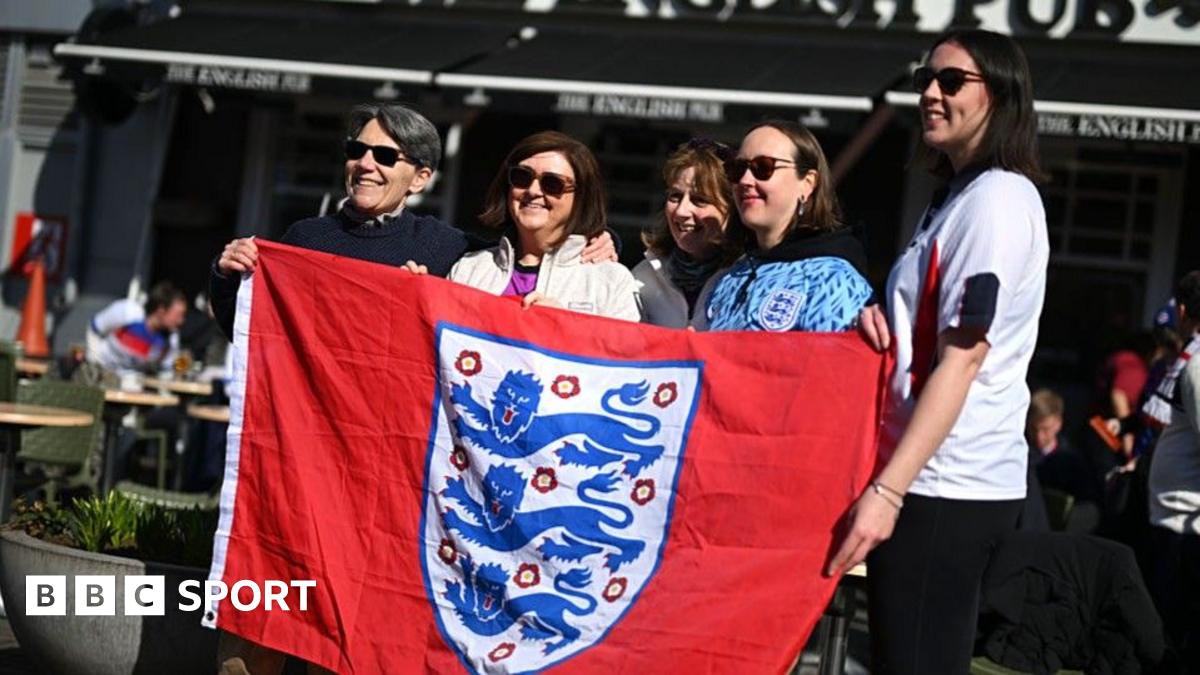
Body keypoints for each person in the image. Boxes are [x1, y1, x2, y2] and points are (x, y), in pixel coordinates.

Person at [827, 30, 1050, 674]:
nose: (930, 91)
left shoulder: (999, 199)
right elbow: (939, 332)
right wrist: (889, 324)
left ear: (1000, 97)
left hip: (945, 486)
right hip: (932, 479)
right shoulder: (956, 197)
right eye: (927, 77)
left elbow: (966, 355)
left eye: (952, 81)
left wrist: (889, 492)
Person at [445, 131, 640, 321]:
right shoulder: (469, 269)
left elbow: (625, 352)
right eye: (522, 177)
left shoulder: (612, 281)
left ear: (581, 197)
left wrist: (564, 326)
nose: (533, 190)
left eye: (552, 183)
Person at [704, 120, 872, 332]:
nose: (745, 181)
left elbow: (837, 362)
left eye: (763, 167)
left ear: (807, 183)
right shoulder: (731, 276)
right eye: (737, 169)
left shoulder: (833, 280)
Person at [1147, 270, 1200, 667]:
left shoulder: (1197, 364)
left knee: (1173, 631)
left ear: (1182, 310)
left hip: (1185, 523)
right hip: (1178, 515)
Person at [633, 138, 742, 329]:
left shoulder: (749, 278)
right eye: (675, 196)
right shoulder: (644, 276)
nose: (682, 211)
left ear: (732, 207)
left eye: (700, 200)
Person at [86, 281, 186, 376]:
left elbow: (166, 370)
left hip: (132, 383)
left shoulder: (171, 339)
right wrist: (94, 362)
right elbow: (94, 328)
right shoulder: (127, 312)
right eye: (178, 315)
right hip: (102, 372)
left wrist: (181, 365)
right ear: (161, 311)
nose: (181, 321)